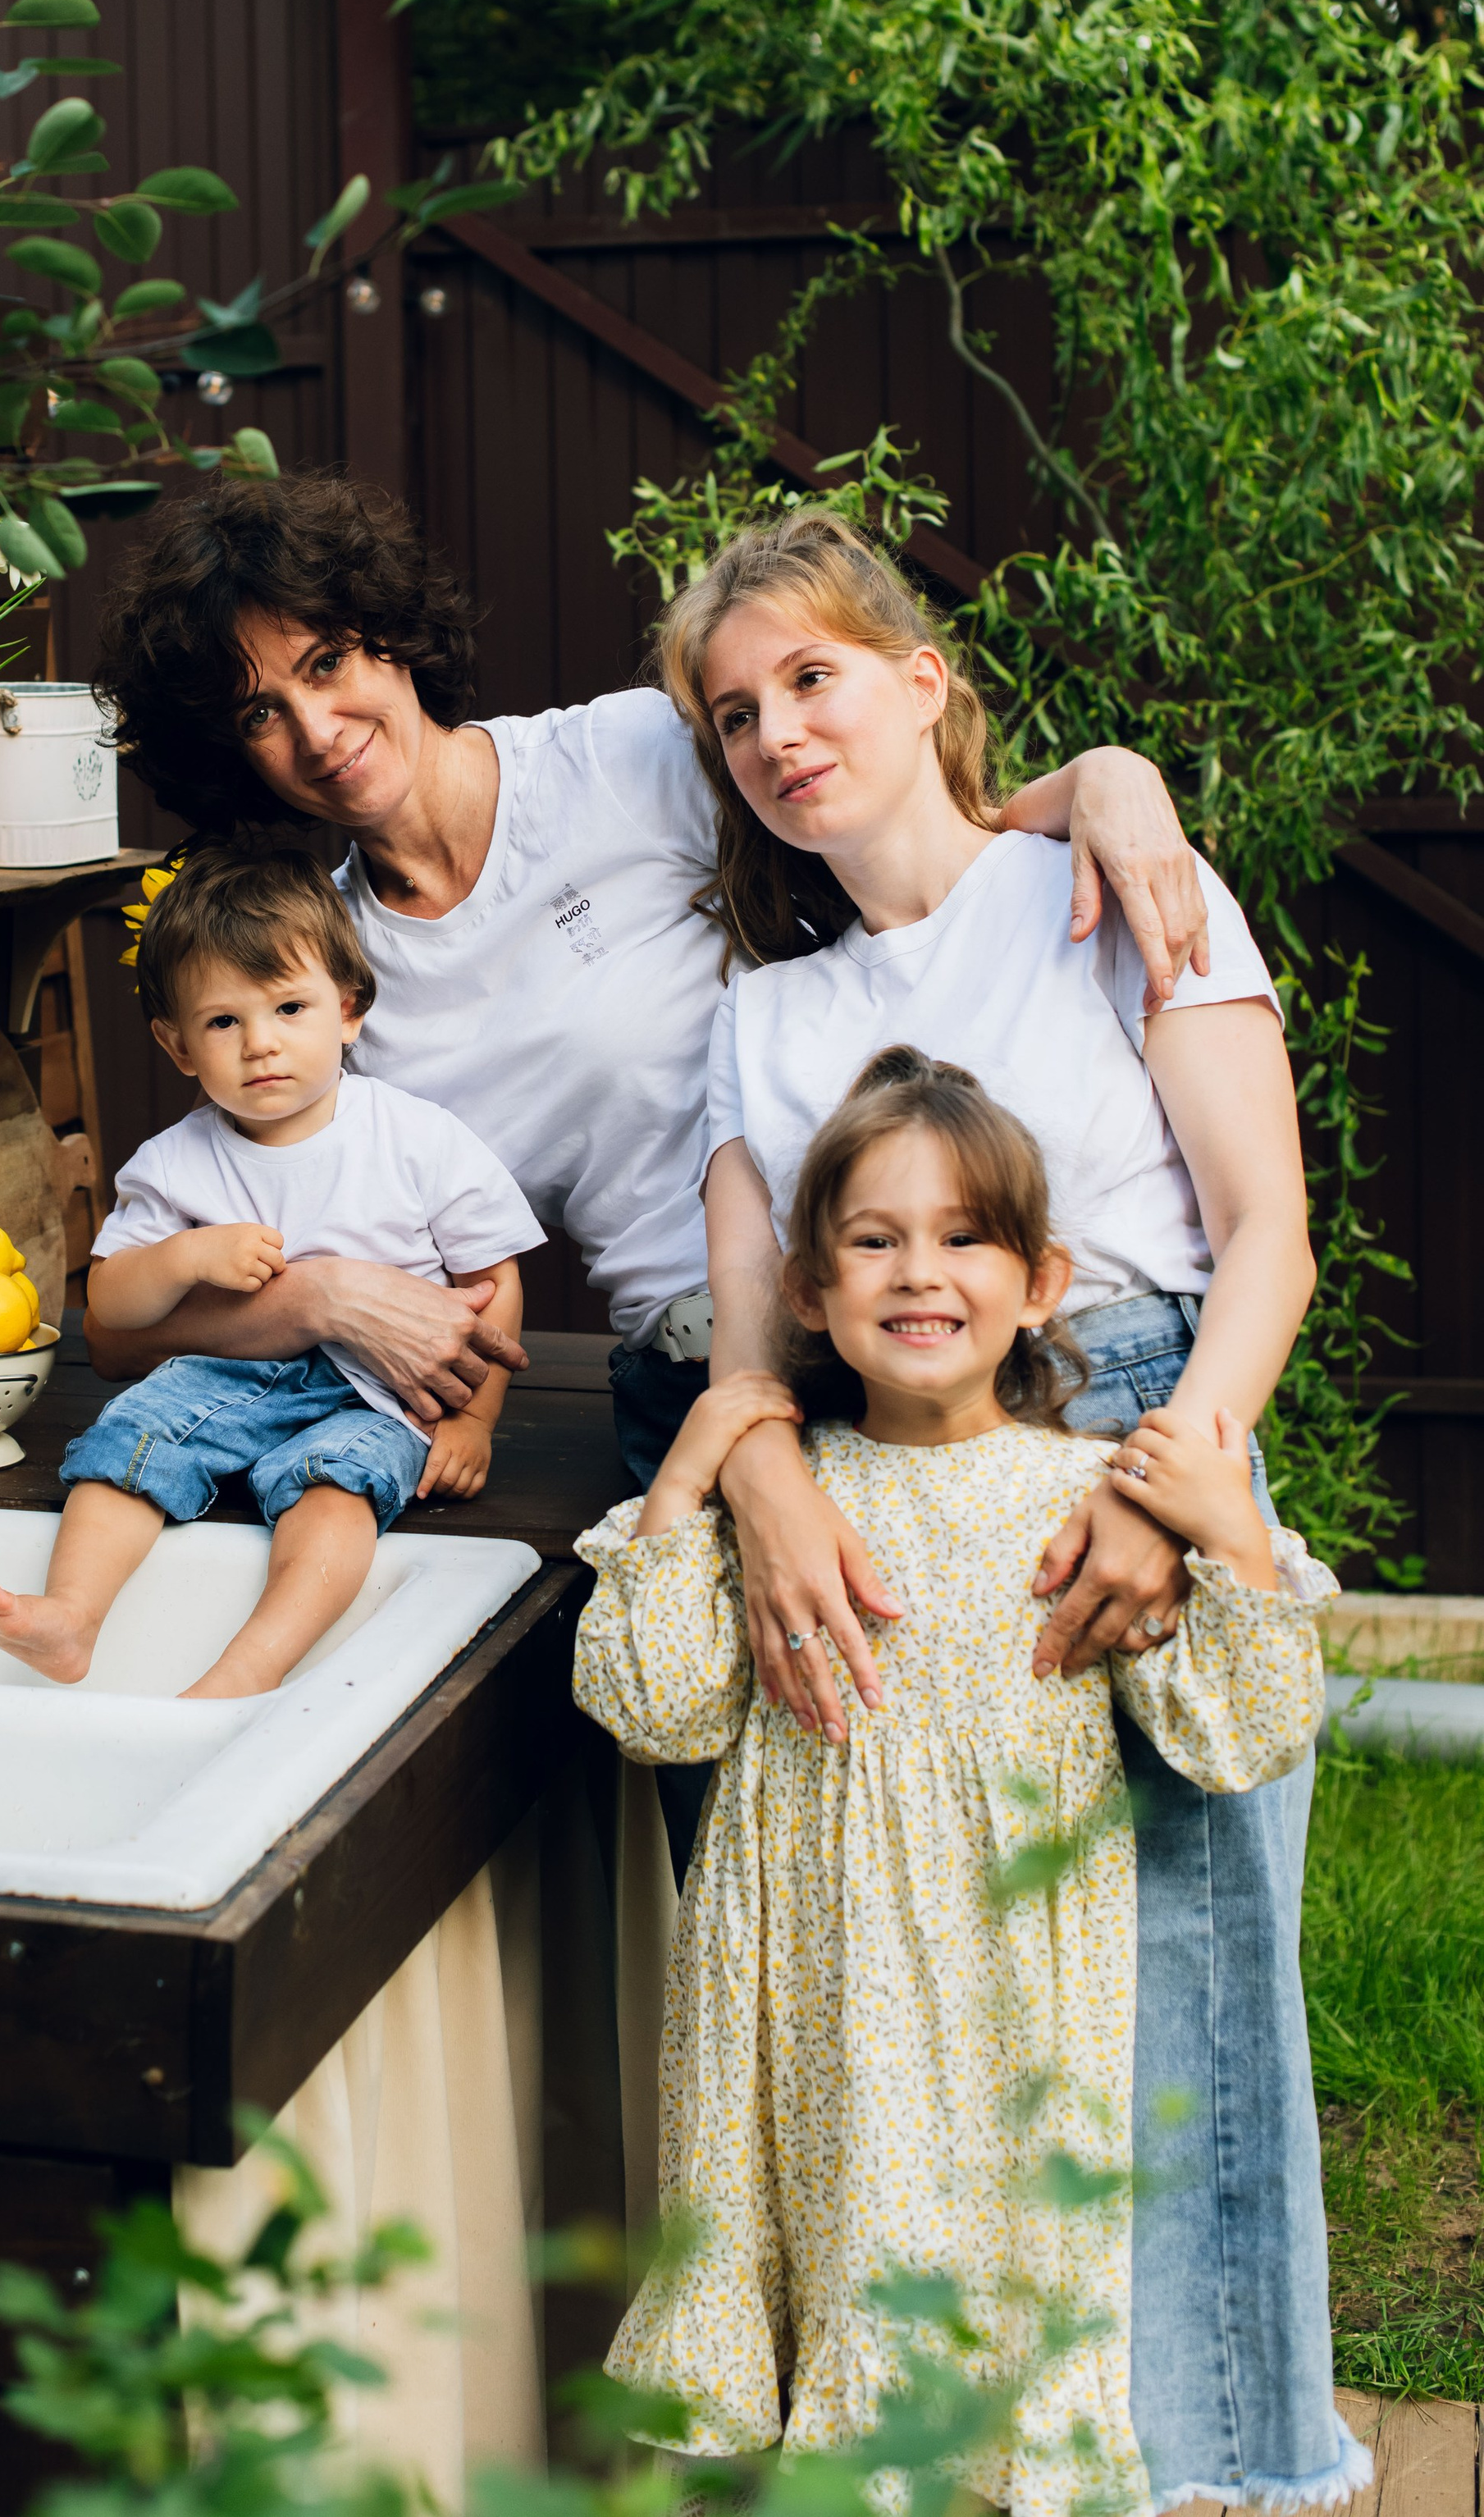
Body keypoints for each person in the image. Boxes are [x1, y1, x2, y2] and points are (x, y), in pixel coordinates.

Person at [87, 477, 1208, 1758]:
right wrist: (325, 1298)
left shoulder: (626, 756)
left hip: (915, 1329)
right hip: (695, 1380)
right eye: (259, 713)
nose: (318, 727)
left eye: (329, 660)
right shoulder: (322, 974)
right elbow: (140, 1322)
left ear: (389, 633)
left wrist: (1108, 780)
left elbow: (886, 809)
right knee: (762, 1833)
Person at [655, 509, 1359, 2509]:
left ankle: (1215, 2464)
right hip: (888, 1485)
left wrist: (1177, 1484)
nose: (778, 731)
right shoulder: (763, 1017)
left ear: (915, 674)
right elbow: (740, 1353)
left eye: (810, 675)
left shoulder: (1111, 876)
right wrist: (770, 1478)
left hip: (1144, 1420)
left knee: (1183, 1984)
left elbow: (1263, 1230)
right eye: (733, 713)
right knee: (952, 2022)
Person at [571, 1051, 1342, 2517]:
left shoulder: (1091, 1499)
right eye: (874, 1239)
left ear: (1042, 1280)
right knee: (837, 2292)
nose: (920, 1273)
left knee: (1004, 2323)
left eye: (965, 1237)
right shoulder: (774, 1508)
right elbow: (656, 1708)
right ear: (809, 1289)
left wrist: (1227, 1535)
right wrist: (688, 1484)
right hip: (803, 1996)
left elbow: (1239, 1734)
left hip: (1010, 2001)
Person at [0, 844, 541, 1699]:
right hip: (224, 1378)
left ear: (347, 1011)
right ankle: (72, 1616)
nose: (262, 1043)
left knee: (333, 1490)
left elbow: (493, 1283)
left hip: (379, 1391)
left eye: (289, 1007)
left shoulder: (415, 1136)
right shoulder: (177, 1161)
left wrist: (476, 1422)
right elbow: (113, 1303)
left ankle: (248, 1668)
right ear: (179, 1045)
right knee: (129, 1438)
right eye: (224, 1022)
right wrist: (186, 1255)